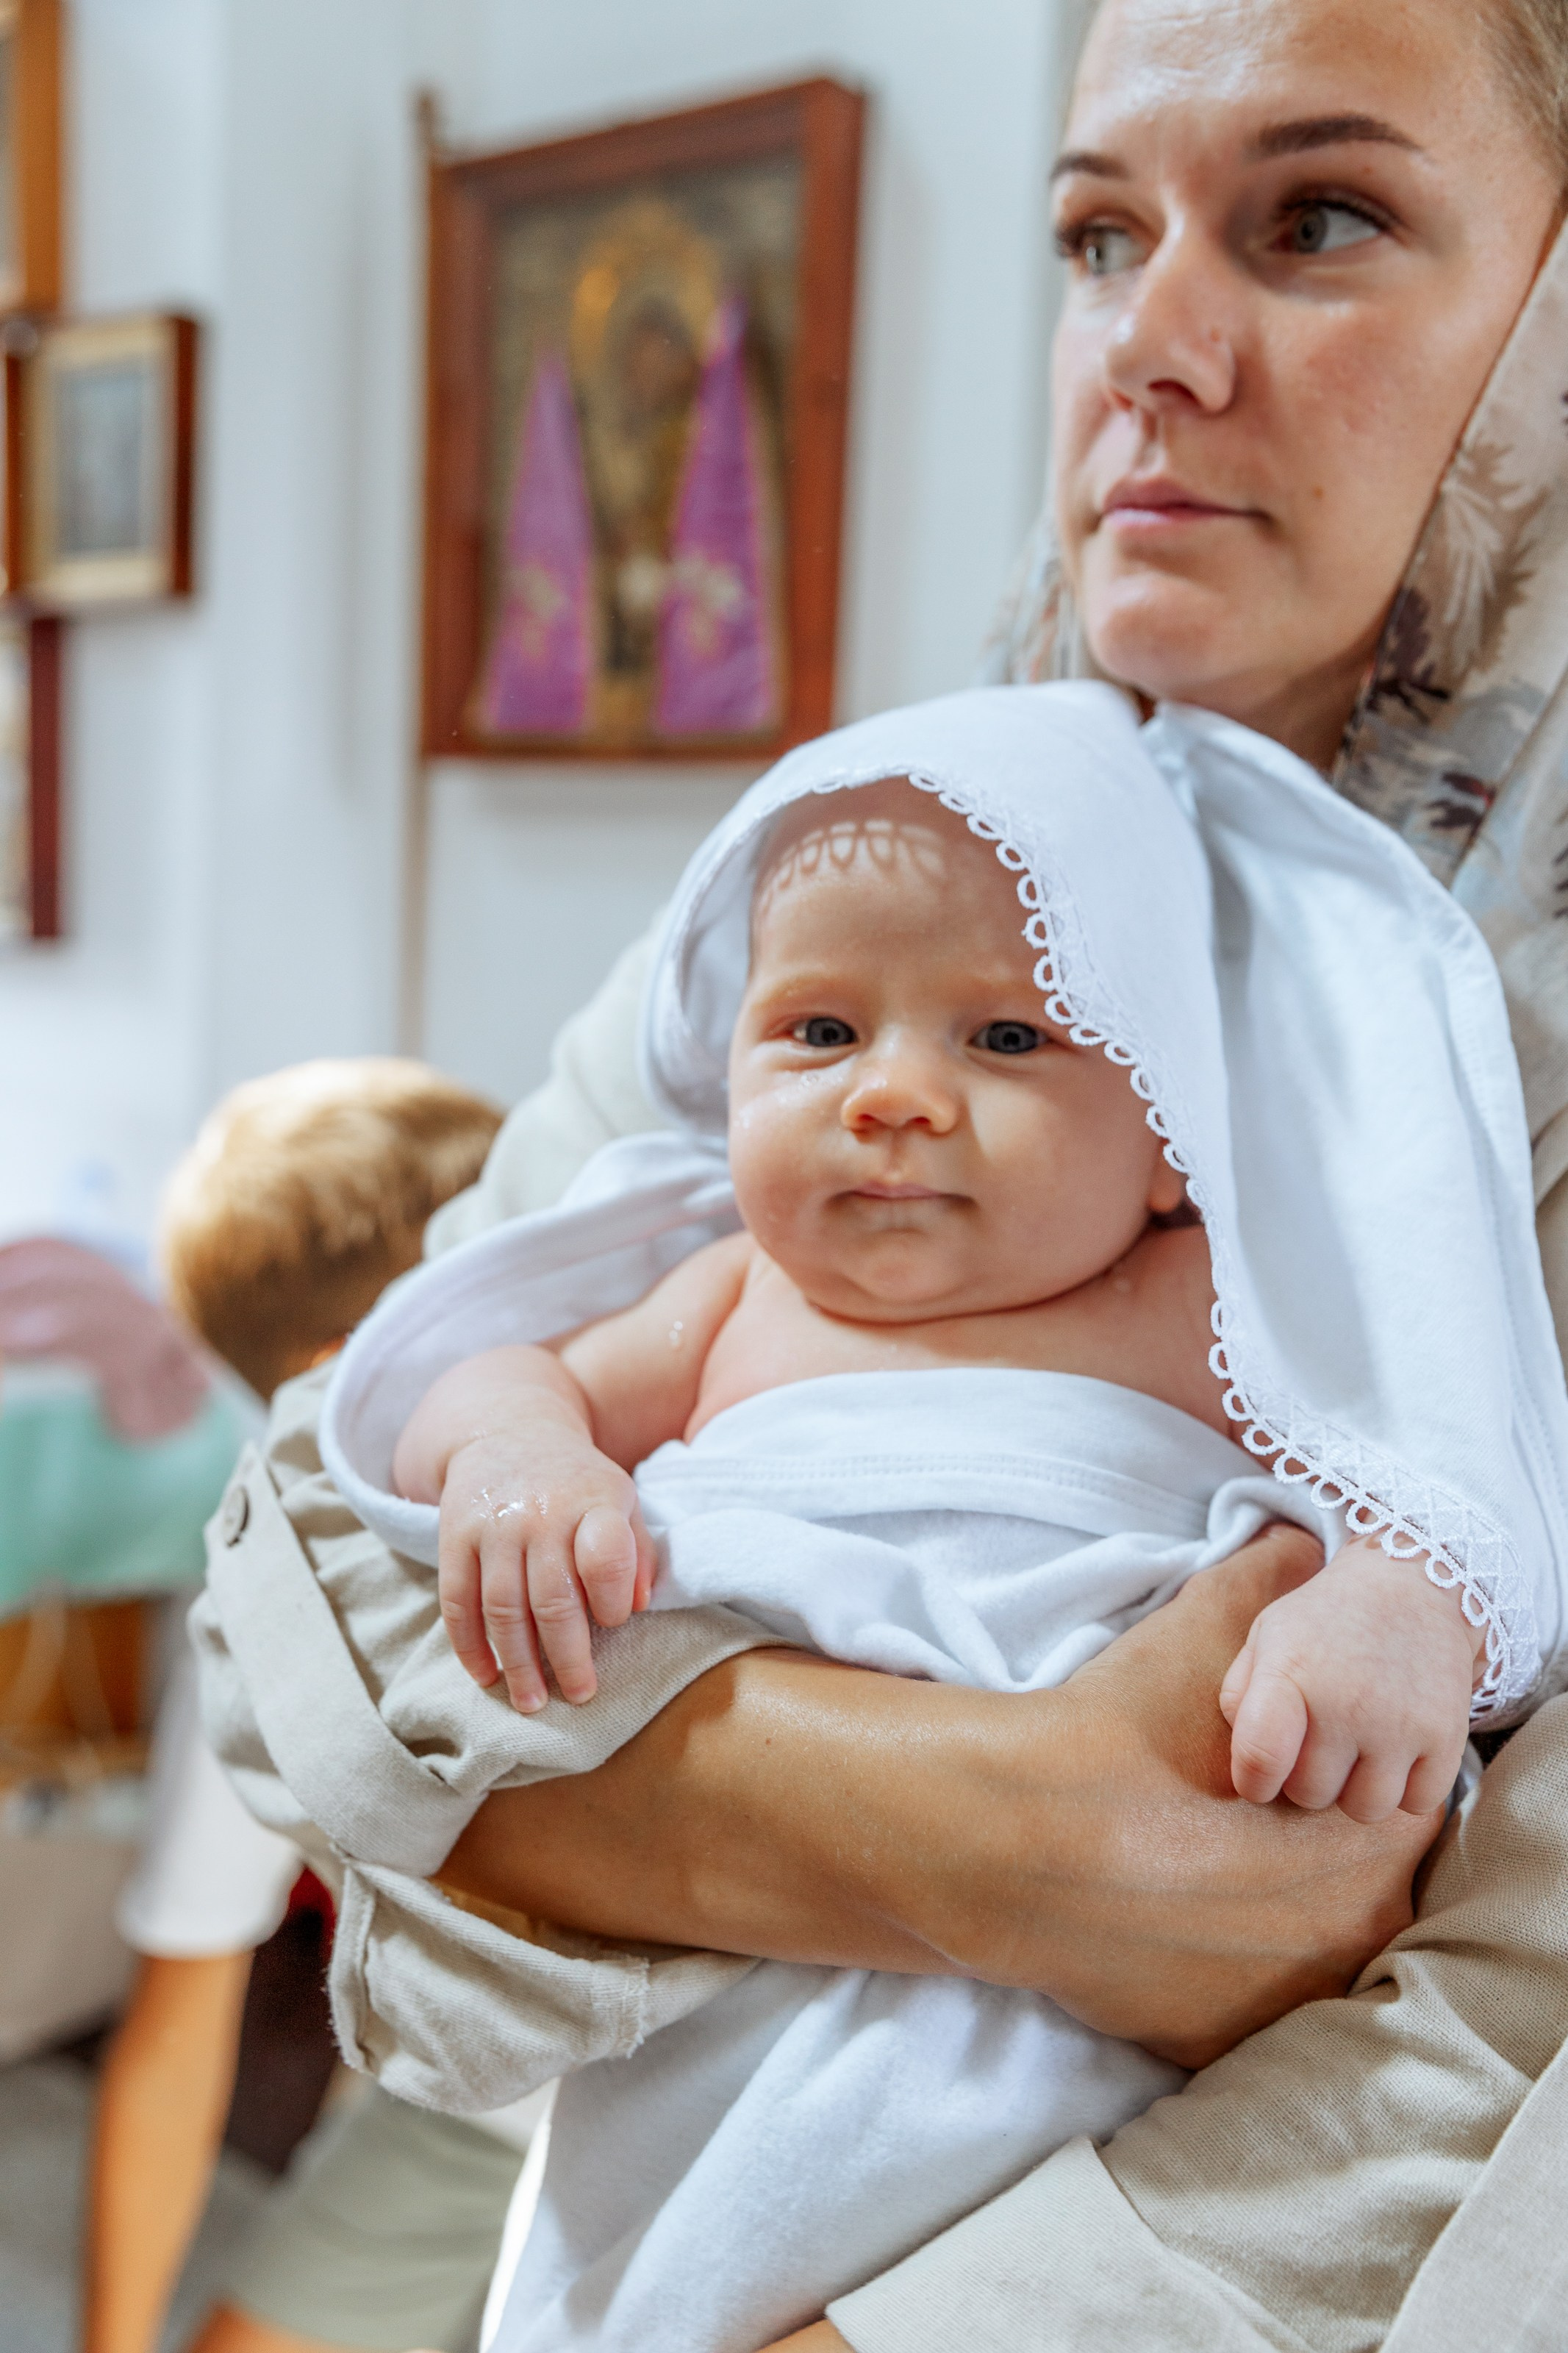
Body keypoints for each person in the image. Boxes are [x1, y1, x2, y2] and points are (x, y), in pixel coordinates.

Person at [194, 0, 1568, 2343]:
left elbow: (1487, 2042)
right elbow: (311, 1590)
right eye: (1092, 230)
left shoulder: (1482, 1057)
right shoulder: (887, 854)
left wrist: (587, 1806)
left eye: (1313, 219)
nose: (1149, 344)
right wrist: (1034, 1838)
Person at [343, 674, 1562, 2353]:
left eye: (1003, 1036)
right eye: (819, 1029)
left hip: (1093, 2025)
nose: (890, 1094)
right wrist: (521, 1464)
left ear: (1165, 1129)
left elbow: (1428, 1477)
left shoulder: (1210, 1308)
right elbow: (485, 1378)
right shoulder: (726, 1295)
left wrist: (1388, 1608)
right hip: (754, 1963)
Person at [82, 1058, 543, 2353]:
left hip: (726, 2112)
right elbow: (177, 2040)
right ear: (350, 1376)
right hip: (474, 2119)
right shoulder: (274, 1611)